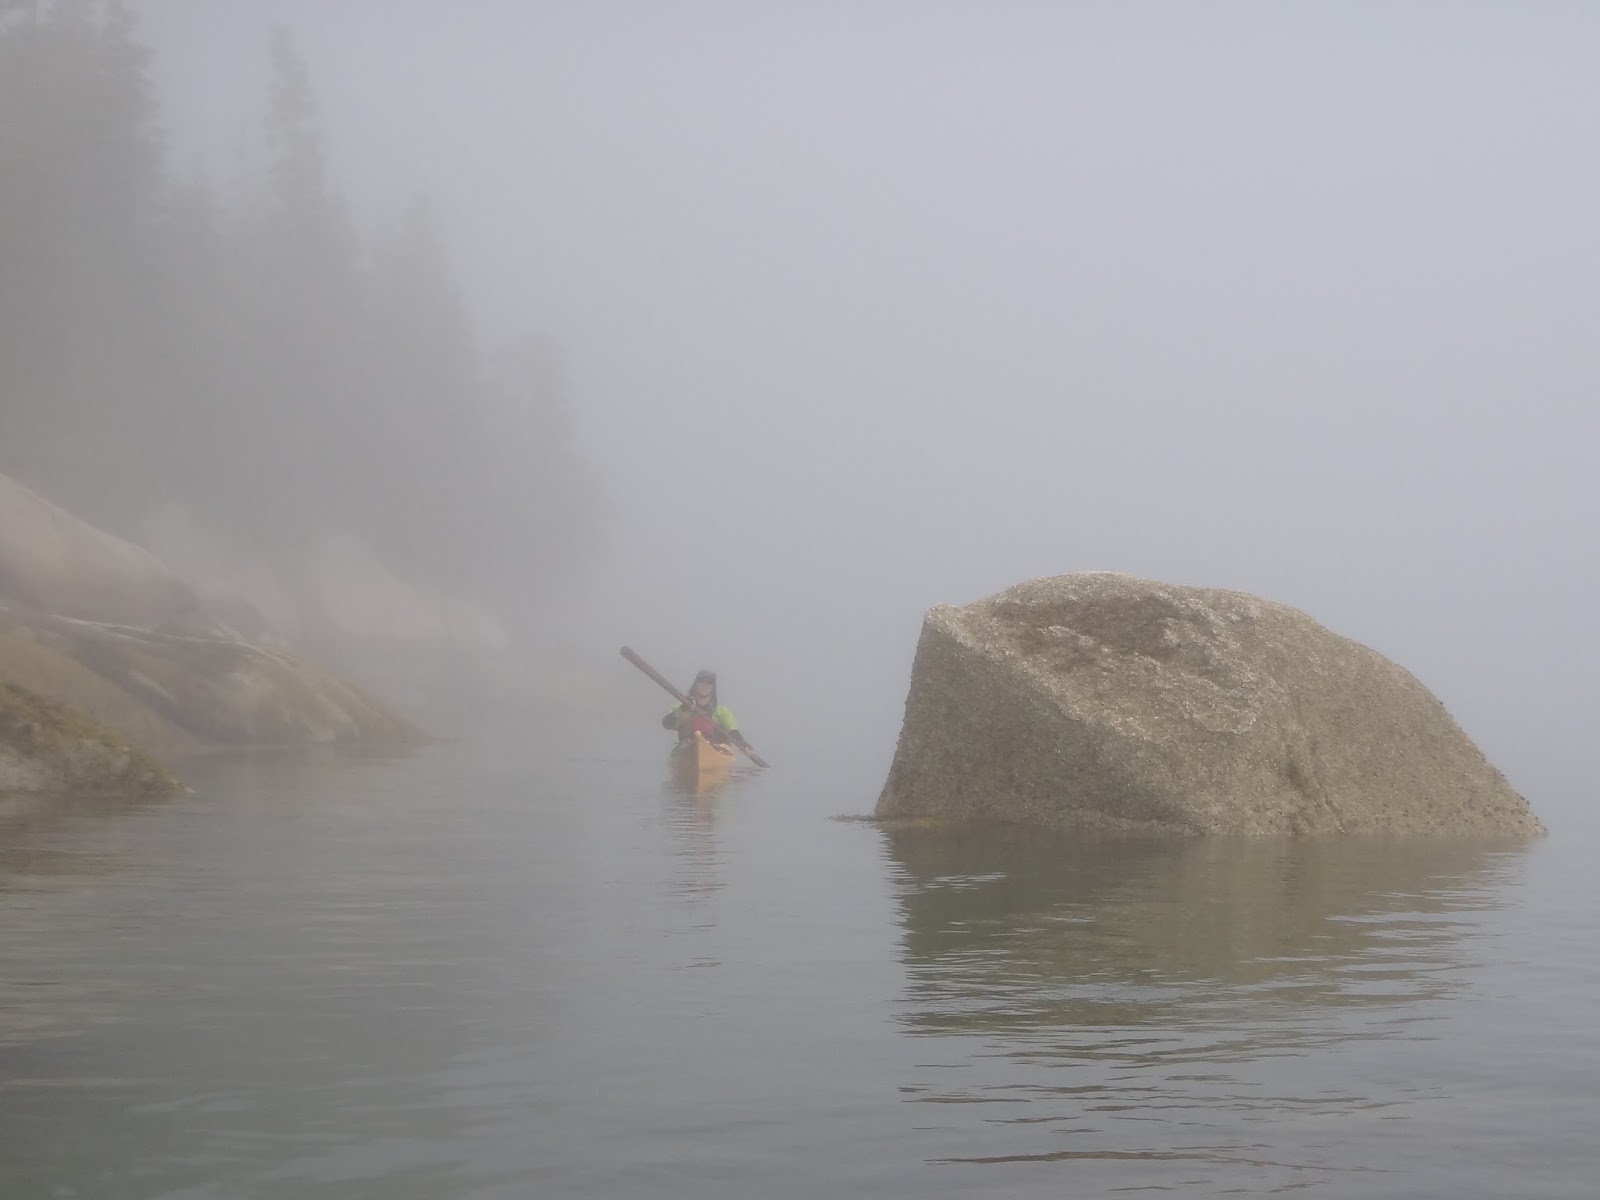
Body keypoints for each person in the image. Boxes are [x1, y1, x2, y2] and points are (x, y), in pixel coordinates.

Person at [663, 669, 750, 751]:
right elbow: (667, 724)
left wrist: (742, 743)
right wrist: (683, 710)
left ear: (713, 688)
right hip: (688, 748)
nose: (705, 684)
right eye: (701, 681)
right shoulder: (682, 706)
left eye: (709, 682)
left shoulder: (722, 711)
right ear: (695, 684)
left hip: (717, 750)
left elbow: (733, 731)